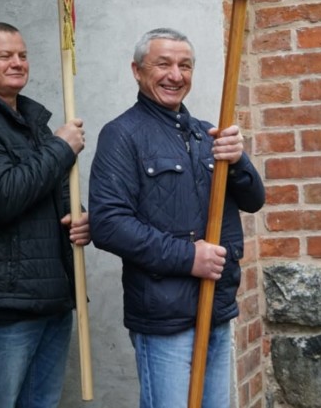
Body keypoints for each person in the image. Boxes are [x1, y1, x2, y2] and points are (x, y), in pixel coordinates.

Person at [88, 27, 265, 408]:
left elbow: (254, 201)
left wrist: (238, 161)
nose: (175, 75)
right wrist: (189, 257)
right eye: (163, 64)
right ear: (137, 71)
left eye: (185, 66)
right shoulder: (122, 135)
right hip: (163, 317)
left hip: (216, 307)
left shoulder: (206, 134)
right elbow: (108, 224)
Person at [0, 22, 89, 408]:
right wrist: (61, 148)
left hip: (54, 296)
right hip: (4, 304)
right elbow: (2, 195)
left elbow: (54, 189)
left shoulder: (34, 121)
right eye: (5, 56)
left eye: (23, 55)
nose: (18, 63)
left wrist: (78, 217)